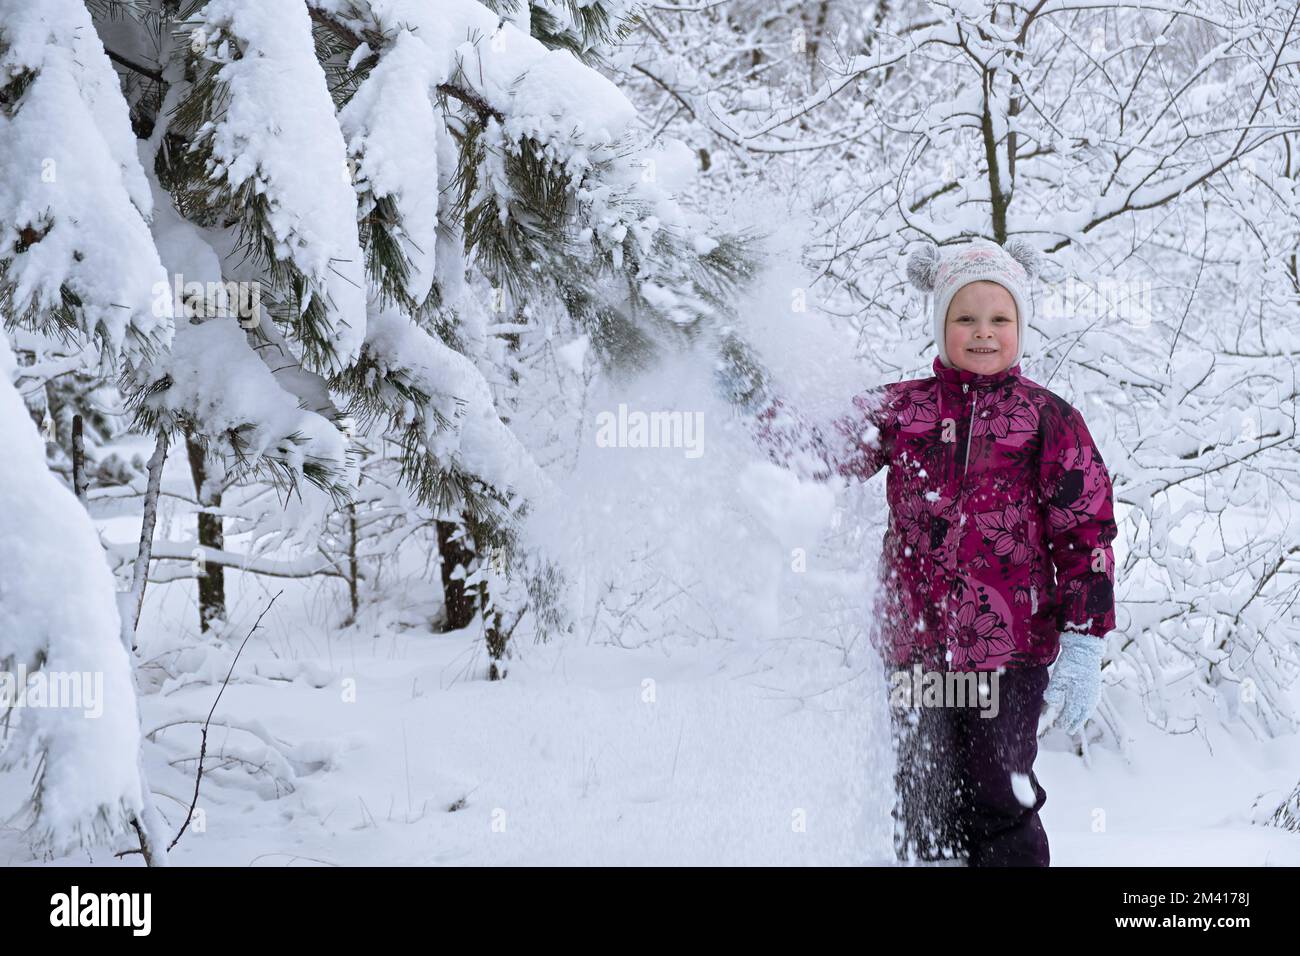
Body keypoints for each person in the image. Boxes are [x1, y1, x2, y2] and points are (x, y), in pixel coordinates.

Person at [720, 237, 1118, 866]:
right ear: (939, 324)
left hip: (1008, 656)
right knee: (923, 797)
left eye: (999, 319)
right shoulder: (904, 409)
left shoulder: (1047, 420)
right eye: (965, 318)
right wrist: (753, 398)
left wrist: (1086, 637)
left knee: (1000, 796)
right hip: (916, 649)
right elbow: (820, 449)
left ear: (1021, 325)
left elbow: (1086, 530)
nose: (982, 333)